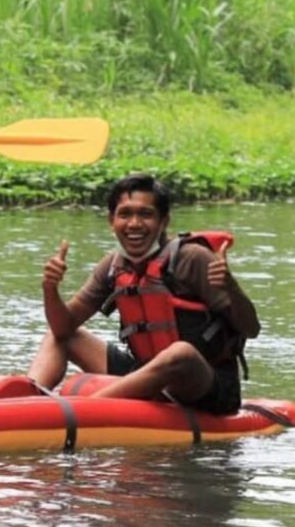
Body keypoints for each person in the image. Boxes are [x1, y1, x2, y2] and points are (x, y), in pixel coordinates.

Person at [27, 173, 260, 413]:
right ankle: (26, 398)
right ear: (111, 220)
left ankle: (82, 410)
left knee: (181, 353)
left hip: (205, 385)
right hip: (143, 371)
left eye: (145, 214)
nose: (134, 224)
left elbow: (251, 329)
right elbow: (62, 328)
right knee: (59, 337)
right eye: (125, 214)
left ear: (164, 221)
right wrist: (50, 289)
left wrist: (231, 287)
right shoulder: (112, 266)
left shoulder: (192, 258)